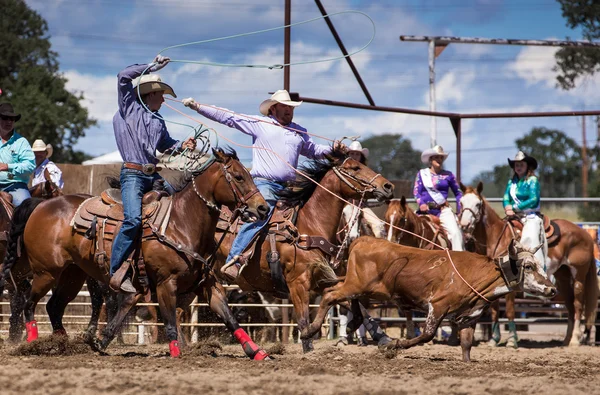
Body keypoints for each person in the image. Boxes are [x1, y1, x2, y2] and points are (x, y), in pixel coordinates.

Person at [182, 90, 344, 280]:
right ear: (273, 108)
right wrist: (198, 107)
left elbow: (313, 150)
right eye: (285, 107)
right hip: (264, 185)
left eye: (291, 108)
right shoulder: (260, 124)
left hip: (289, 188)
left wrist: (332, 148)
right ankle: (235, 258)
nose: (288, 111)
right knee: (261, 214)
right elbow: (228, 117)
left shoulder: (299, 132)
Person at [111, 56, 197, 293]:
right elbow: (123, 76)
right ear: (150, 95)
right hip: (132, 174)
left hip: (153, 176)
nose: (164, 99)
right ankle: (116, 271)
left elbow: (166, 145)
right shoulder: (129, 108)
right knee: (132, 220)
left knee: (181, 202)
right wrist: (152, 65)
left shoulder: (158, 119)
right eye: (161, 95)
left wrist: (183, 145)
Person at [413, 145, 464, 251]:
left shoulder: (448, 175)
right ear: (431, 159)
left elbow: (458, 193)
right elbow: (416, 192)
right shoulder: (422, 174)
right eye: (437, 157)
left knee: (455, 233)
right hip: (425, 211)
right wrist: (421, 204)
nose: (439, 160)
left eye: (441, 158)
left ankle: (458, 259)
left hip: (442, 211)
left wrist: (459, 211)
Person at [503, 151, 548, 268]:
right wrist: (507, 207)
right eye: (516, 165)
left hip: (530, 216)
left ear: (527, 166)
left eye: (521, 165)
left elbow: (533, 199)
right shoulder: (511, 182)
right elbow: (506, 197)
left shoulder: (532, 180)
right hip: (514, 215)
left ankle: (537, 266)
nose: (518, 167)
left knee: (530, 238)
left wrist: (513, 207)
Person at [343, 140, 384, 239]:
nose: (354, 156)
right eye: (352, 153)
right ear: (348, 155)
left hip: (361, 206)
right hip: (345, 205)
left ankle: (379, 249)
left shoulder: (366, 172)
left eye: (357, 154)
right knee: (352, 230)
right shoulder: (342, 170)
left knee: (379, 225)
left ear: (361, 157)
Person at [0, 102, 35, 206]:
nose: (9, 121)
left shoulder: (21, 142)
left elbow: (30, 166)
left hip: (15, 186)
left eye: (12, 119)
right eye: (5, 118)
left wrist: (7, 166)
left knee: (25, 208)